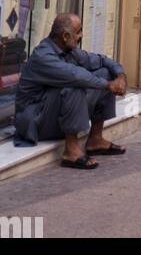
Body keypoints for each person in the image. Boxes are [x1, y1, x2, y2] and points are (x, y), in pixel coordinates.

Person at [13, 13, 128, 168]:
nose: (81, 35)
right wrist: (109, 85)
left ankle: (95, 140)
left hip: (53, 116)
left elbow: (101, 60)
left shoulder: (69, 50)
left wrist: (120, 76)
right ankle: (71, 151)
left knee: (105, 73)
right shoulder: (43, 56)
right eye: (78, 31)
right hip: (35, 122)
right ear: (66, 36)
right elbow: (75, 76)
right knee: (75, 85)